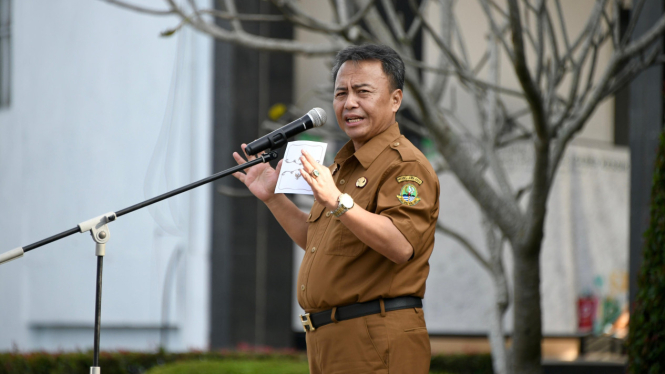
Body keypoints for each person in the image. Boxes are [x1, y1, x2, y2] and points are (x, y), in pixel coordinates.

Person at [232, 44, 440, 374]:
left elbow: (400, 245)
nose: (349, 102)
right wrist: (274, 198)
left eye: (363, 91)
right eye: (341, 92)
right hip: (330, 340)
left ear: (395, 99)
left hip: (374, 336)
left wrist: (337, 201)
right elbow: (319, 241)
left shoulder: (404, 165)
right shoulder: (345, 166)